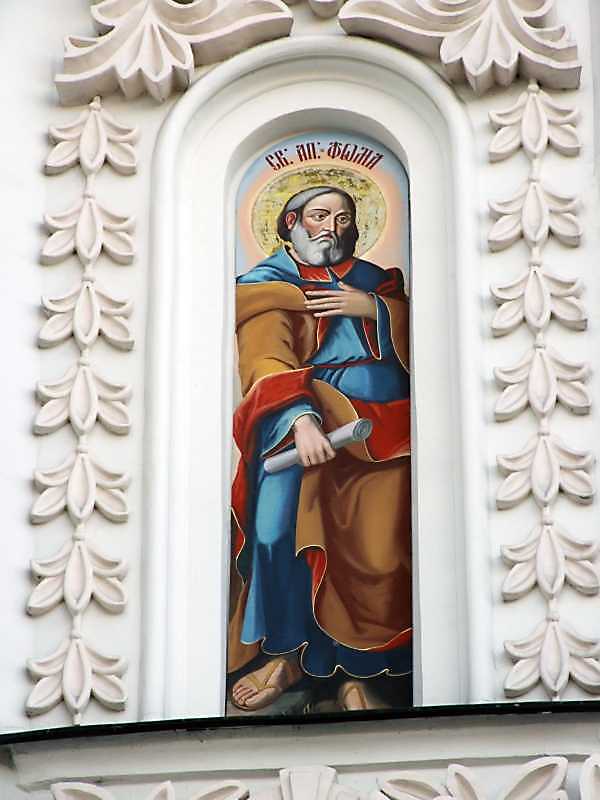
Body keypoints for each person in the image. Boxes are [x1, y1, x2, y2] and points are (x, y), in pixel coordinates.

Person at [229, 185, 411, 712]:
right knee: (276, 528)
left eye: (344, 217)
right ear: (290, 223)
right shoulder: (267, 286)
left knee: (381, 543)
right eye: (319, 215)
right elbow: (266, 360)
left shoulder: (376, 283)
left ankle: (356, 672)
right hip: (303, 420)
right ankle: (288, 655)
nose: (332, 226)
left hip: (384, 430)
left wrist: (374, 308)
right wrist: (299, 419)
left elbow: (421, 338)